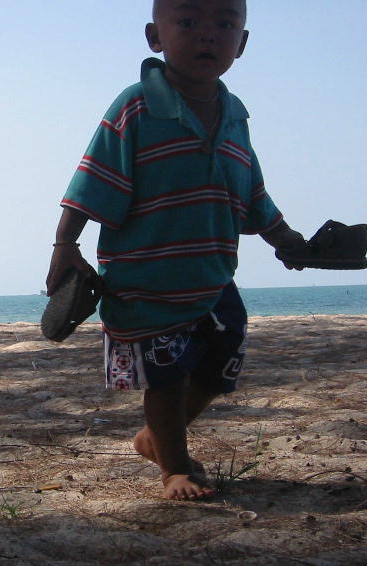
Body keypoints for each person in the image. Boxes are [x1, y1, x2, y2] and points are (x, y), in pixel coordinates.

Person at [45, 0, 306, 501]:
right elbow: (92, 179)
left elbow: (251, 190)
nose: (207, 35)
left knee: (221, 363)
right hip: (145, 279)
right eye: (187, 22)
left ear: (242, 42)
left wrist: (286, 238)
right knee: (164, 378)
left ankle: (154, 439)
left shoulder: (235, 114)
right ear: (155, 37)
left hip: (212, 277)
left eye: (225, 24)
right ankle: (175, 468)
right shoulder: (137, 106)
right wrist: (65, 244)